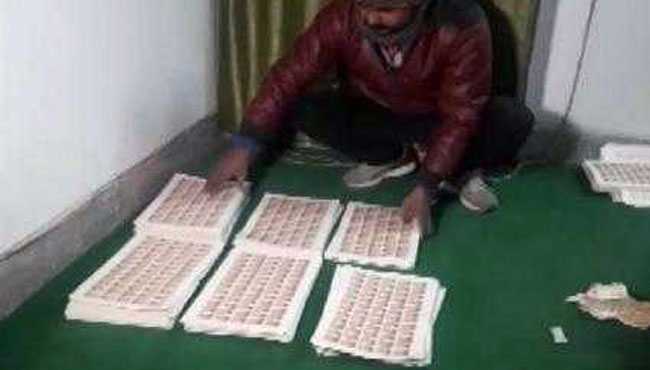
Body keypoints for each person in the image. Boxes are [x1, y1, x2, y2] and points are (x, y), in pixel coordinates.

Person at [207, 0, 534, 234]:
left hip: (441, 121)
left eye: (386, 9)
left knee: (511, 119)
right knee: (303, 104)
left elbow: (461, 115)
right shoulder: (342, 15)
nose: (370, 18)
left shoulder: (462, 21)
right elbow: (288, 76)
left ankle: (458, 171)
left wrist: (427, 186)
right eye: (364, 6)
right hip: (382, 115)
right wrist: (245, 145)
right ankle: (391, 157)